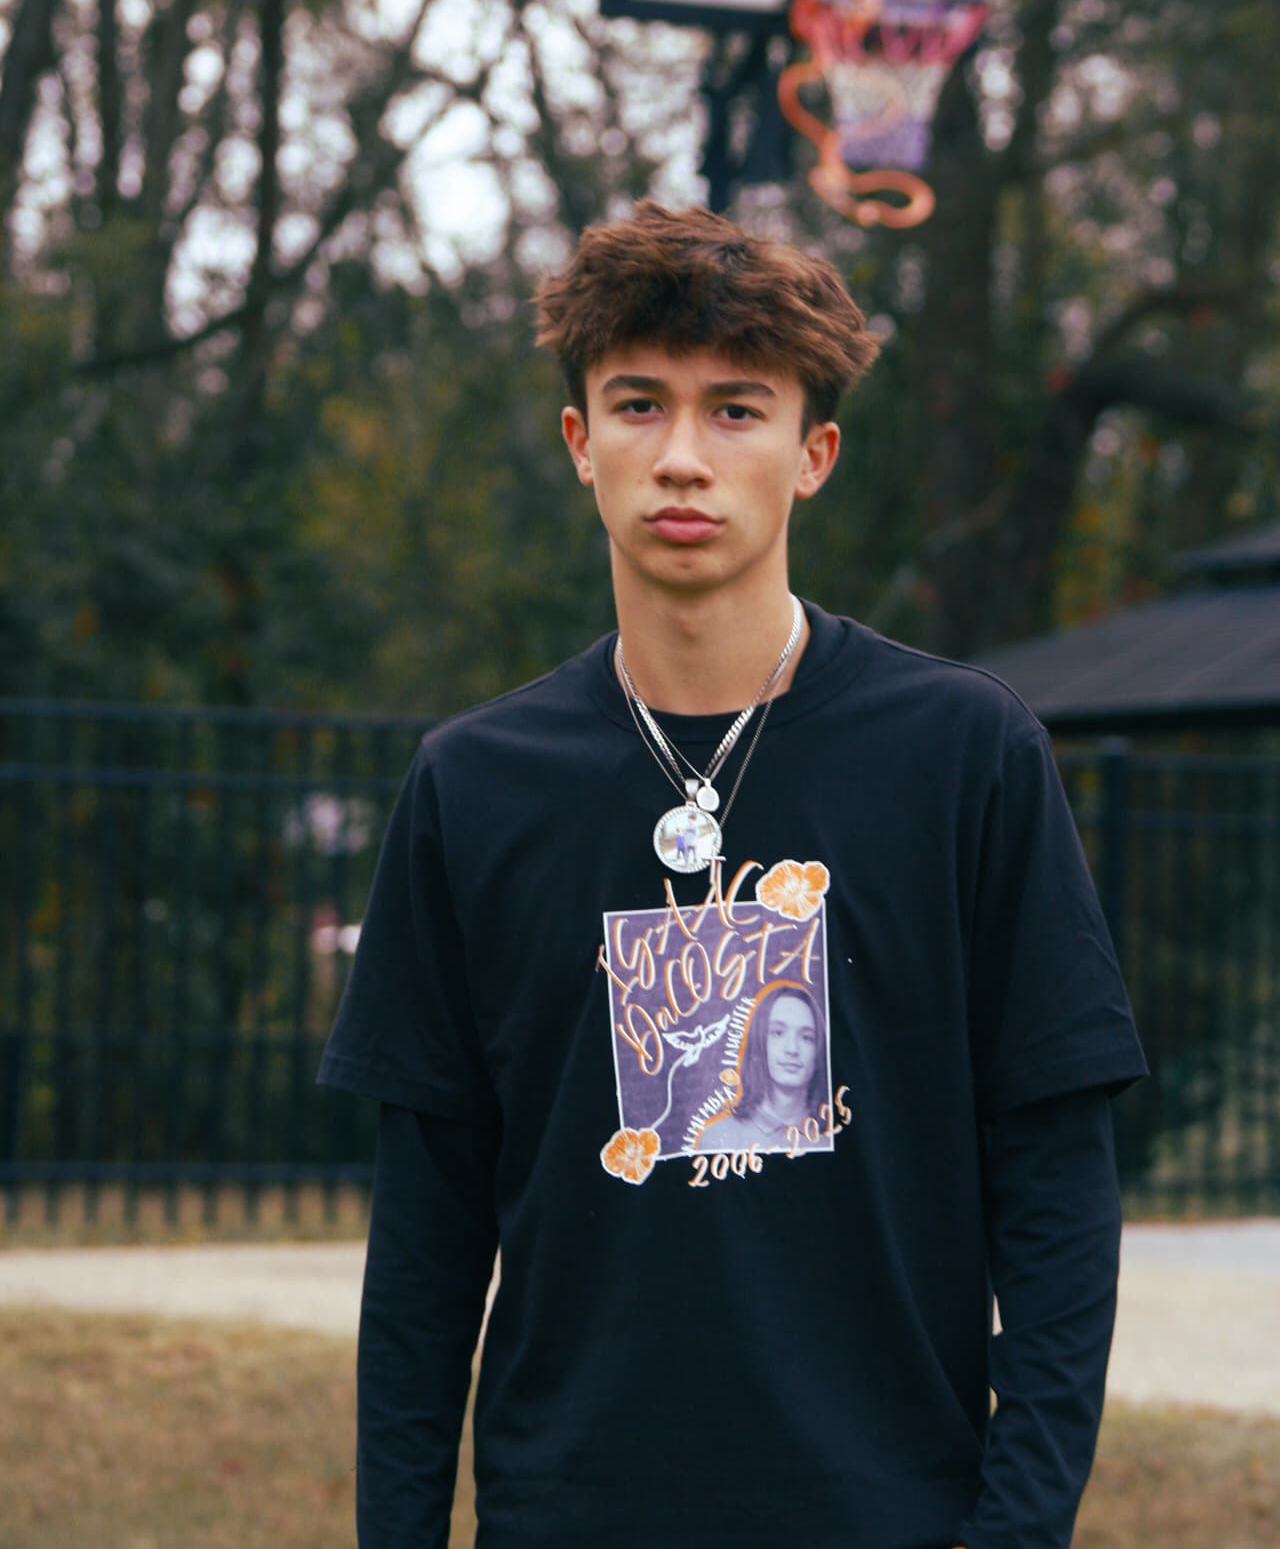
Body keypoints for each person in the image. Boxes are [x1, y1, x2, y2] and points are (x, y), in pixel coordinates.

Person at [318, 200, 1147, 1549]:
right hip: (569, 1518)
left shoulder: (963, 755)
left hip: (889, 1513)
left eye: (737, 411)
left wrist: (1014, 1532)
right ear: (579, 441)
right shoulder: (473, 786)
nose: (682, 459)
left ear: (813, 454)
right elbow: (424, 1236)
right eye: (639, 405)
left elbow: (1057, 1186)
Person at [696, 983, 829, 1153]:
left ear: (818, 1049)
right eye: (778, 1033)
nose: (792, 1049)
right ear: (759, 1042)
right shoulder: (717, 1138)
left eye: (806, 1037)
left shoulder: (831, 1136)